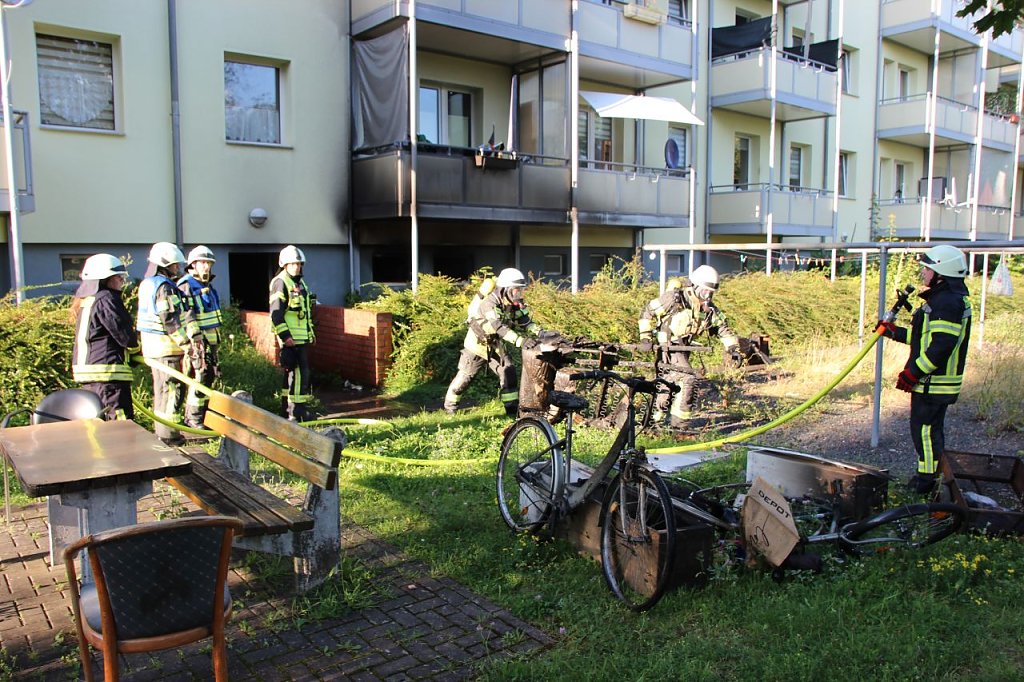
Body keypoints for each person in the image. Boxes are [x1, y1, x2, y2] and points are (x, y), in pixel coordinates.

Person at [879, 244, 972, 494]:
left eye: (927, 268)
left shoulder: (946, 302)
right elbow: (925, 339)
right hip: (933, 382)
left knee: (925, 433)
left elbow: (941, 346)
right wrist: (894, 332)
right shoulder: (944, 299)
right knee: (926, 431)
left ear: (941, 272)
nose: (923, 272)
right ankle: (929, 477)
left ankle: (926, 482)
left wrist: (914, 373)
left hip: (934, 383)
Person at [638, 265, 740, 427]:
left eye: (711, 293)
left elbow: (722, 328)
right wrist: (645, 337)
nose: (707, 296)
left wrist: (733, 348)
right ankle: (678, 424)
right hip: (668, 347)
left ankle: (652, 421)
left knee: (668, 382)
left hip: (685, 348)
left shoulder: (708, 309)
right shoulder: (674, 299)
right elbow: (647, 312)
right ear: (695, 286)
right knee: (688, 379)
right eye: (705, 292)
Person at [444, 268, 540, 417]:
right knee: (465, 378)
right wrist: (520, 341)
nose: (519, 294)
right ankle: (450, 409)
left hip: (495, 345)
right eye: (516, 290)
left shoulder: (511, 302)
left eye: (520, 290)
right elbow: (498, 327)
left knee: (508, 372)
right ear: (505, 289)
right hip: (477, 345)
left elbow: (525, 321)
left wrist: (540, 332)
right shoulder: (489, 303)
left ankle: (512, 411)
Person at [136, 242, 203, 444]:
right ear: (165, 264)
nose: (178, 268)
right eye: (175, 265)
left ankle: (163, 433)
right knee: (171, 392)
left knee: (163, 392)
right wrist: (187, 345)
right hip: (166, 349)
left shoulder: (148, 284)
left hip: (153, 348)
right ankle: (169, 436)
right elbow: (171, 320)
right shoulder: (164, 287)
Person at [70, 254, 139, 420]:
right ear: (105, 279)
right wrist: (137, 351)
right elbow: (124, 334)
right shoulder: (107, 299)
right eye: (118, 276)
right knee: (119, 422)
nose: (122, 280)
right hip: (107, 375)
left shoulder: (88, 300)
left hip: (90, 376)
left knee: (98, 422)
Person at [177, 245, 224, 429]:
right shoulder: (186, 285)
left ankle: (204, 417)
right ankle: (193, 419)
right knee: (199, 377)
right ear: (193, 265)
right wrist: (196, 340)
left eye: (209, 263)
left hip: (210, 342)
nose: (206, 266)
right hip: (198, 342)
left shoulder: (207, 286)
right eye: (202, 263)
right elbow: (186, 314)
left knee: (209, 377)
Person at [270, 245, 316, 421]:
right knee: (298, 374)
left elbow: (305, 312)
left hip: (301, 337)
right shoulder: (281, 282)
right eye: (292, 264)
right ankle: (296, 413)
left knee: (294, 374)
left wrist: (310, 334)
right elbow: (276, 314)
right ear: (284, 265)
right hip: (291, 339)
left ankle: (288, 410)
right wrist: (286, 337)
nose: (296, 267)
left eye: (298, 264)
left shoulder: (300, 283)